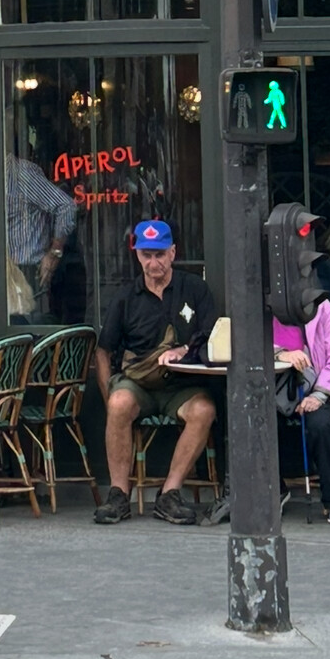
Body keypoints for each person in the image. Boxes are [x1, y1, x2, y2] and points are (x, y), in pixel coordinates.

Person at [94, 219, 218, 526]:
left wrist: (184, 350)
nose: (153, 263)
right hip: (139, 384)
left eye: (160, 254)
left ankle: (170, 493)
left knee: (204, 410)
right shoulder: (125, 297)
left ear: (173, 252)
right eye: (146, 255)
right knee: (119, 404)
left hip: (183, 385)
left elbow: (212, 335)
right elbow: (103, 350)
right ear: (137, 255)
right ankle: (118, 495)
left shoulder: (195, 288)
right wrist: (108, 395)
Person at [274, 296, 330, 525]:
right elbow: (249, 344)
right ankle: (274, 490)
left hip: (320, 388)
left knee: (321, 424)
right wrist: (279, 353)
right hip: (273, 388)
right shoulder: (260, 305)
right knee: (260, 421)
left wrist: (319, 396)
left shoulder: (323, 307)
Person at [6, 151, 77, 322]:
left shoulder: (21, 174)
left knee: (30, 326)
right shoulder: (1, 176)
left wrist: (55, 252)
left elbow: (66, 206)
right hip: (10, 268)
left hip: (28, 269)